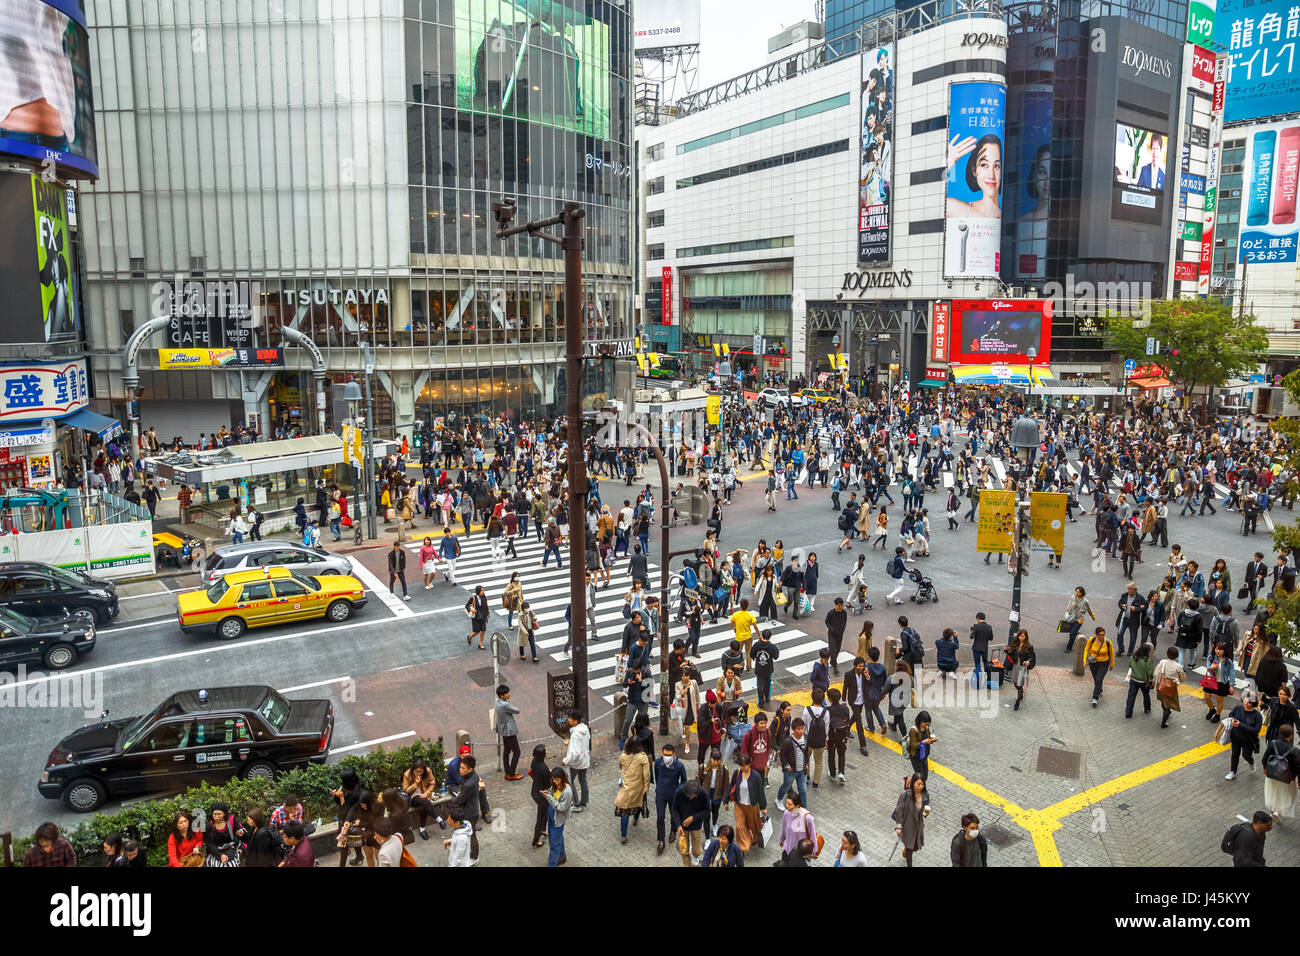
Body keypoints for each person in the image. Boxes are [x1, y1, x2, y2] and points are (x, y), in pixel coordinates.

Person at [727, 753, 768, 852]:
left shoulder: (756, 776)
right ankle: (743, 846)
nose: (742, 767)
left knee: (754, 825)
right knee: (740, 826)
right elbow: (730, 786)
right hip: (739, 805)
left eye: (744, 765)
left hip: (752, 806)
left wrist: (763, 807)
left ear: (750, 764)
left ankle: (754, 838)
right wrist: (725, 800)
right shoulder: (737, 773)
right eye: (740, 765)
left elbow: (760, 792)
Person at [653, 743, 688, 855]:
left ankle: (673, 830)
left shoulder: (679, 766)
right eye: (664, 754)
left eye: (669, 755)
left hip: (674, 795)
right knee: (660, 817)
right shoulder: (658, 763)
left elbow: (683, 781)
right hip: (661, 794)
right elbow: (657, 776)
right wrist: (659, 787)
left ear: (673, 754)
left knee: (674, 814)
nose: (666, 757)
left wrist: (679, 790)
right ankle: (661, 840)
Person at [615, 737, 651, 844]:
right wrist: (646, 787)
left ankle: (623, 835)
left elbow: (620, 767)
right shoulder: (642, 757)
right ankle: (635, 819)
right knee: (638, 804)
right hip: (638, 787)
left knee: (624, 811)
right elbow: (646, 774)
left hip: (626, 788)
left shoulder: (623, 755)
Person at [1263, 723, 1300, 820]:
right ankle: (1277, 812)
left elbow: (1265, 758)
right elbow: (1298, 767)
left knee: (1273, 793)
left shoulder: (1273, 743)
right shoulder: (1295, 751)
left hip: (1272, 775)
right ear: (1292, 735)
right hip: (1287, 778)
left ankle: (1273, 810)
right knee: (1288, 796)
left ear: (1279, 734)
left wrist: (1265, 768)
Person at [672, 778, 711, 866]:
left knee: (697, 850)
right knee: (684, 850)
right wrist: (678, 825)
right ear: (686, 792)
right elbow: (674, 809)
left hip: (696, 825)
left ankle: (695, 856)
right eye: (689, 796)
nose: (691, 798)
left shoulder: (704, 794)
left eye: (693, 796)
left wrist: (693, 818)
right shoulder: (679, 792)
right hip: (682, 825)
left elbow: (707, 810)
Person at [1225, 691, 1264, 780]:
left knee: (1246, 755)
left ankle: (1251, 762)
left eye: (1249, 701)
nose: (1246, 702)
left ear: (1253, 703)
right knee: (1234, 754)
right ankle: (1232, 772)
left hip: (1248, 740)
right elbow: (1231, 714)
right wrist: (1231, 720)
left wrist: (1240, 725)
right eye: (1246, 699)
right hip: (1235, 737)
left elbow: (1256, 730)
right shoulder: (1238, 708)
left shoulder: (1257, 716)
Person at [894, 774, 930, 867]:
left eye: (922, 784)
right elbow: (899, 810)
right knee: (910, 848)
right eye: (918, 784)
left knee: (914, 847)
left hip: (918, 825)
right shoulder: (905, 795)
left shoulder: (925, 795)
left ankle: (906, 848)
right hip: (908, 824)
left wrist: (925, 814)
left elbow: (925, 811)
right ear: (913, 783)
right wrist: (899, 826)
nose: (920, 786)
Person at [542, 767, 574, 867]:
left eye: (557, 779)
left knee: (554, 843)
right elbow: (552, 792)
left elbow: (561, 808)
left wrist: (549, 797)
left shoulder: (567, 792)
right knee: (556, 838)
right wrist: (548, 793)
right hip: (552, 813)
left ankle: (552, 864)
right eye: (553, 779)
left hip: (558, 817)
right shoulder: (556, 785)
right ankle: (561, 856)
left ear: (562, 778)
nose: (554, 781)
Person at [777, 717, 810, 808]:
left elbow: (806, 751)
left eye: (802, 728)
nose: (801, 731)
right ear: (793, 729)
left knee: (802, 790)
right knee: (786, 787)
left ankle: (804, 809)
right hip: (791, 771)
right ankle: (778, 799)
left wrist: (806, 763)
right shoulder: (788, 741)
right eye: (798, 729)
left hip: (802, 770)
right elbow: (782, 755)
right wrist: (787, 766)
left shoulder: (806, 738)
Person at [778, 791, 818, 865]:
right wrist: (782, 840)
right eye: (786, 803)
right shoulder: (787, 813)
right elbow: (783, 829)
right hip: (787, 850)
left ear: (797, 805)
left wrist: (814, 852)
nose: (787, 806)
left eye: (790, 804)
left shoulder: (807, 818)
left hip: (800, 855)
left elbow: (813, 837)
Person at [563, 709, 591, 811]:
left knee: (569, 781)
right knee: (583, 780)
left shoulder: (575, 734)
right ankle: (584, 801)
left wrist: (566, 760)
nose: (568, 719)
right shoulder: (585, 729)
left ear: (575, 721)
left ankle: (576, 804)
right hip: (585, 760)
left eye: (569, 718)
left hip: (576, 763)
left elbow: (575, 753)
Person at [202, 802, 244, 867]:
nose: (216, 816)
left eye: (219, 814)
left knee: (230, 864)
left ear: (224, 814)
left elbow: (238, 835)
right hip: (215, 852)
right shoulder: (209, 826)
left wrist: (232, 848)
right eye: (214, 814)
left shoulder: (232, 821)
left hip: (231, 849)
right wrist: (220, 855)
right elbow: (209, 844)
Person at [495, 684, 523, 780]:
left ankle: (507, 772)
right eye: (506, 693)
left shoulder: (497, 702)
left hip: (503, 730)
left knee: (506, 751)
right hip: (509, 731)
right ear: (501, 695)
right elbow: (517, 710)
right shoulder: (504, 705)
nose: (508, 694)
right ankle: (511, 774)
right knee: (517, 752)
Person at [1153, 646, 1185, 729]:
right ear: (1177, 656)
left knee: (1163, 701)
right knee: (1168, 705)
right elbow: (1183, 678)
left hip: (1161, 686)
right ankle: (1163, 723)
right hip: (1171, 689)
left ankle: (1165, 710)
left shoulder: (1162, 662)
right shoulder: (1178, 666)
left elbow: (1156, 672)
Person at [1083, 626, 1114, 706]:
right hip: (1093, 663)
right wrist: (1084, 661)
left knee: (1098, 679)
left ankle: (1095, 698)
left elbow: (1111, 654)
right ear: (1096, 635)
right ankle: (1099, 690)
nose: (1101, 636)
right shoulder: (1092, 640)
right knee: (1096, 679)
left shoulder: (1108, 642)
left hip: (1104, 664)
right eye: (1100, 635)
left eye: (1103, 635)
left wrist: (1111, 665)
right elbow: (1086, 649)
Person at [1125, 642, 1156, 719]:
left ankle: (1128, 713)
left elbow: (1130, 666)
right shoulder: (1148, 661)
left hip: (1133, 680)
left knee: (1131, 697)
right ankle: (1147, 708)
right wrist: (1151, 680)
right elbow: (1150, 673)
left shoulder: (1133, 657)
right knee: (1146, 695)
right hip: (1143, 682)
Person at [752, 629, 780, 708]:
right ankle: (767, 697)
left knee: (760, 684)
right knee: (767, 683)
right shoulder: (772, 647)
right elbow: (776, 657)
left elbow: (752, 654)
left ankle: (761, 702)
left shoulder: (756, 645)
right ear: (770, 637)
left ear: (762, 635)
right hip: (768, 668)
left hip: (759, 668)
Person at [906, 711, 936, 781]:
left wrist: (931, 740)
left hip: (924, 755)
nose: (926, 724)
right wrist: (924, 742)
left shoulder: (926, 728)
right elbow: (913, 745)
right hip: (916, 757)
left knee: (925, 776)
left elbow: (928, 738)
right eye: (925, 722)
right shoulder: (913, 730)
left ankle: (910, 781)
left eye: (927, 722)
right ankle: (917, 789)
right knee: (921, 777)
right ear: (920, 721)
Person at [824, 597, 848, 674]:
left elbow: (845, 621)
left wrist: (842, 630)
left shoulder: (844, 613)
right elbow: (827, 622)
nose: (840, 607)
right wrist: (831, 629)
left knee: (837, 649)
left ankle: (832, 661)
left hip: (840, 634)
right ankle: (835, 666)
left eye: (842, 605)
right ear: (835, 605)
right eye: (839, 605)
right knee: (832, 650)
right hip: (832, 634)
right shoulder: (831, 613)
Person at [466, 585, 489, 649]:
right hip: (476, 617)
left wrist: (487, 615)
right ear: (478, 591)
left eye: (483, 590)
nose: (483, 591)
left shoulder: (484, 597)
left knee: (483, 630)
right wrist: (471, 609)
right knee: (477, 631)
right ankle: (470, 637)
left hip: (483, 616)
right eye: (482, 590)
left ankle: (480, 644)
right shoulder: (473, 598)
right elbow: (467, 606)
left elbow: (486, 607)